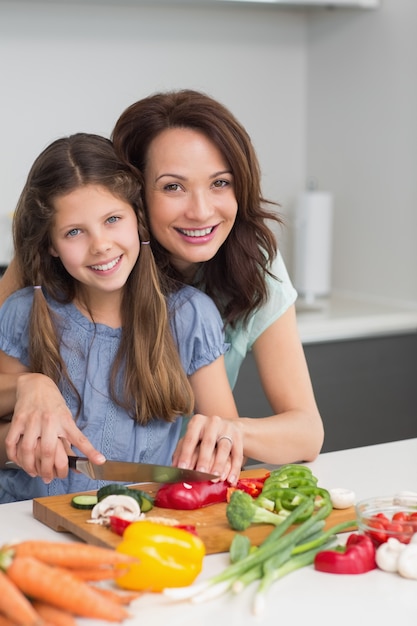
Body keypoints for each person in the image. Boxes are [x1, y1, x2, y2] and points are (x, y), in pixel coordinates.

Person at [0, 89, 324, 481]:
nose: (201, 210)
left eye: (220, 182)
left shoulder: (237, 276)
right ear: (136, 193)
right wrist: (27, 389)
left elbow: (307, 431)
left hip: (159, 489)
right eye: (173, 187)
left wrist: (230, 431)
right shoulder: (53, 274)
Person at [0, 132, 240, 503]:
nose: (100, 245)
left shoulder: (190, 317)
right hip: (26, 516)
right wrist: (25, 409)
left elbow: (223, 447)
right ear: (50, 243)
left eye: (112, 219)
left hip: (139, 521)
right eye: (74, 232)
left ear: (138, 220)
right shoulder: (23, 313)